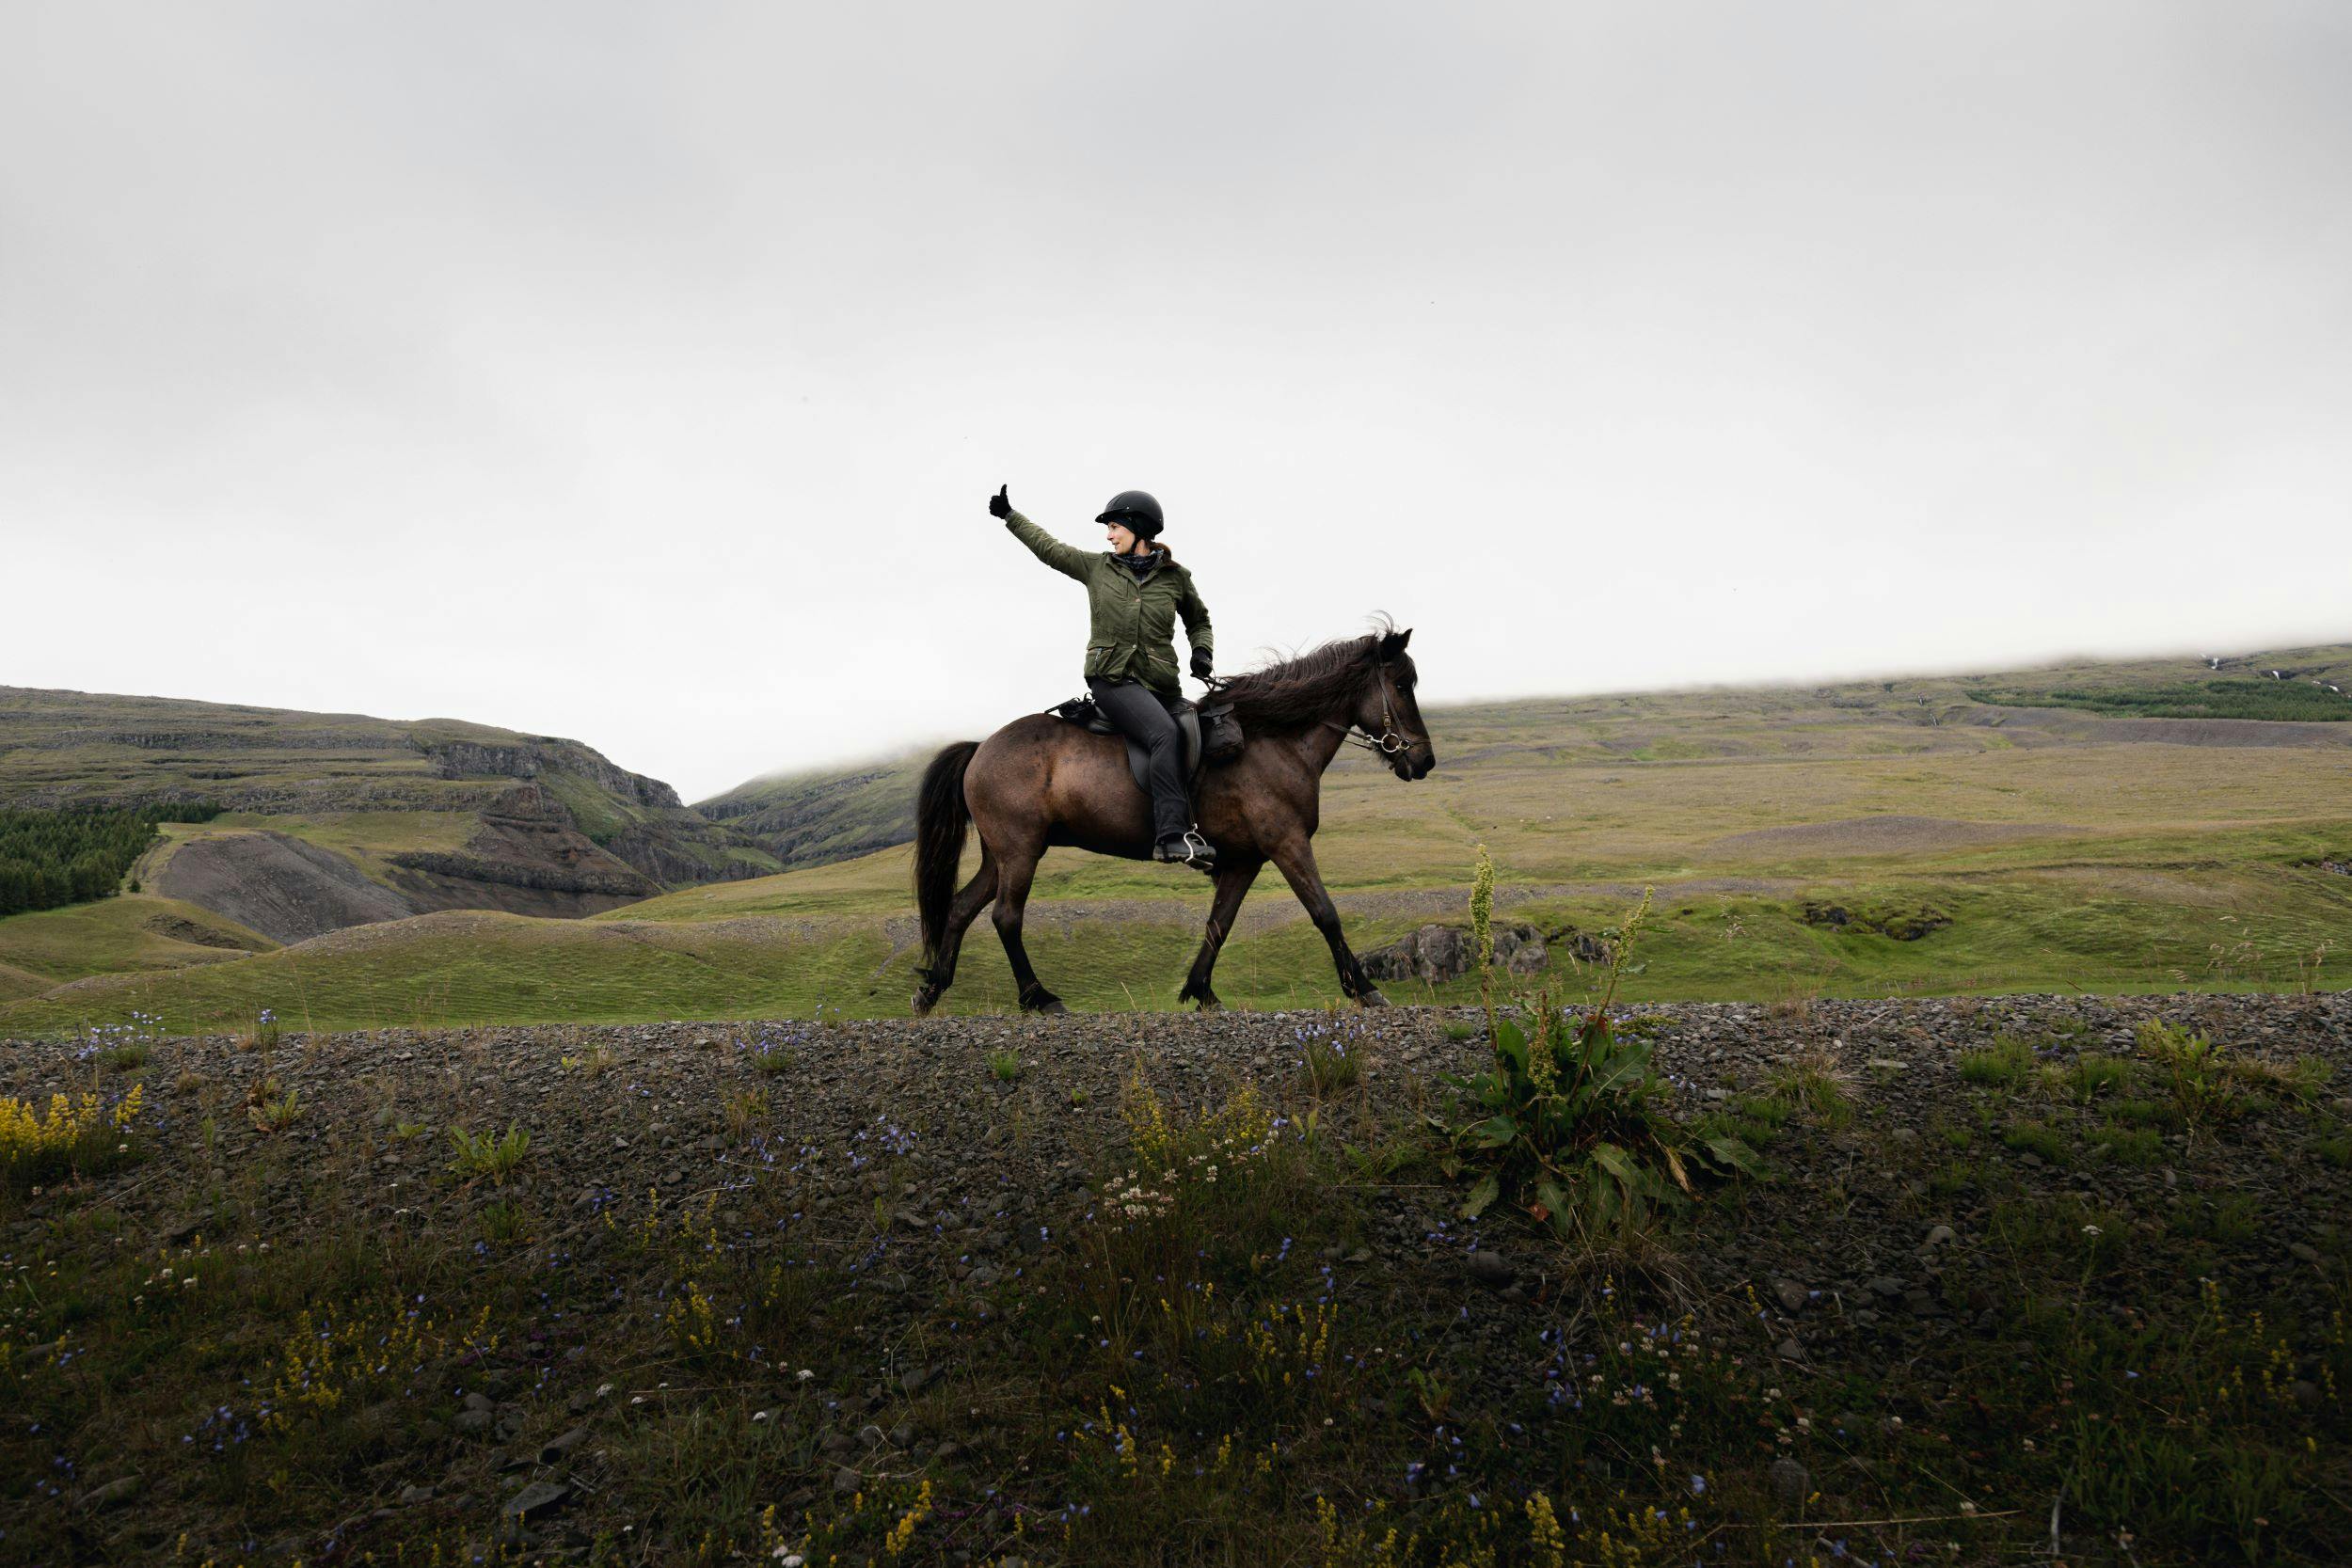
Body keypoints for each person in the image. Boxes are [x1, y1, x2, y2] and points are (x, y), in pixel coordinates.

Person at [990, 483, 1217, 868]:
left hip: (1162, 684)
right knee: (1164, 734)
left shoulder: (1176, 579)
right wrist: (1011, 517)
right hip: (1113, 680)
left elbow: (1199, 619)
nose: (1109, 536)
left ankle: (1207, 824)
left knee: (1202, 732)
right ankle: (1169, 837)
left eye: (1115, 528)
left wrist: (1202, 651)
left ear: (1139, 530)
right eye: (1108, 530)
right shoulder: (1097, 567)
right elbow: (1051, 549)